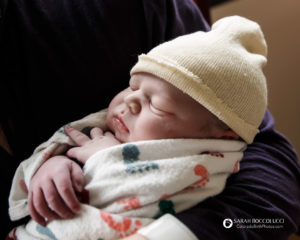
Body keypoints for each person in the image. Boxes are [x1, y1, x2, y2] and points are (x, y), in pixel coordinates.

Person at [1, 1, 300, 240]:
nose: (128, 101)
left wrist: (108, 160)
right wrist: (49, 165)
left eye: (156, 105)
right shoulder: (108, 130)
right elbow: (62, 146)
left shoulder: (206, 161)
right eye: (131, 86)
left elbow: (270, 201)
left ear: (221, 134)